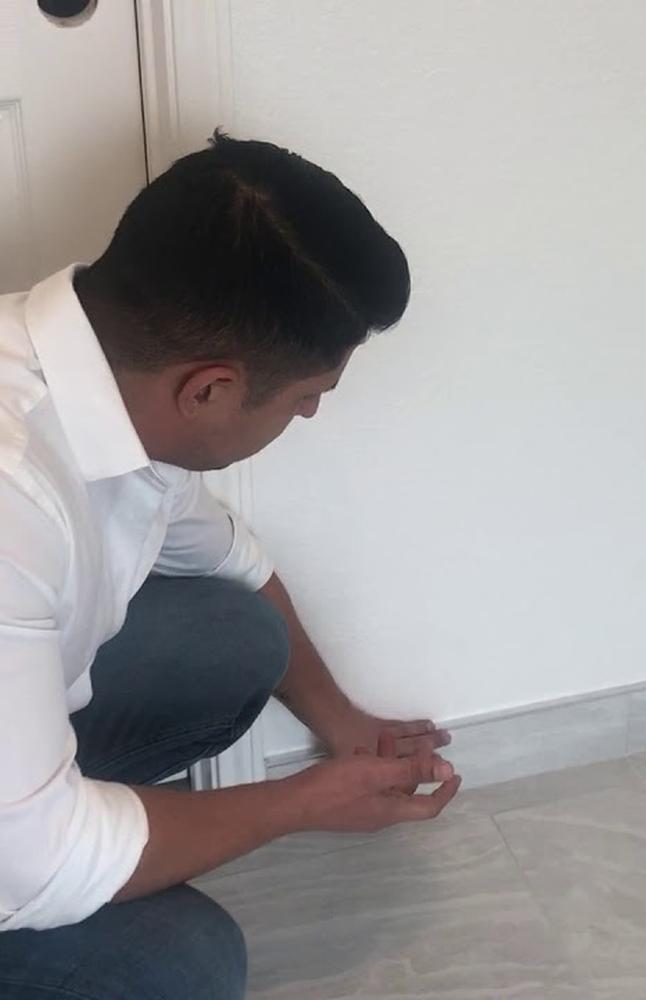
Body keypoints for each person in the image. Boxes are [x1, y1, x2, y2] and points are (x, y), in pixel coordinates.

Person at [0, 132, 461, 999]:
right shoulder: (11, 493)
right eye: (305, 393)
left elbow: (234, 558)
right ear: (209, 389)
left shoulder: (95, 375)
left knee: (231, 632)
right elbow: (34, 865)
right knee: (179, 968)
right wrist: (302, 804)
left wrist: (341, 720)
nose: (316, 411)